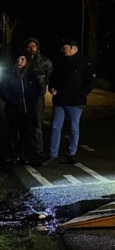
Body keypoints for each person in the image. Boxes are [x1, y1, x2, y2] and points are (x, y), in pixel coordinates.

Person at [43, 38, 94, 166]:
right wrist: (52, 88)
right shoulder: (60, 62)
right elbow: (53, 78)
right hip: (60, 100)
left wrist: (80, 94)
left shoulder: (85, 62)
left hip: (75, 101)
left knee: (73, 128)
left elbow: (90, 82)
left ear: (72, 47)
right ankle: (53, 155)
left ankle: (71, 154)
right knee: (55, 127)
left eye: (64, 47)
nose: (62, 50)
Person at [0, 53, 43, 165]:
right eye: (18, 59)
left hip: (27, 108)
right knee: (13, 132)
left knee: (25, 132)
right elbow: (3, 91)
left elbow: (37, 89)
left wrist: (31, 100)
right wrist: (12, 100)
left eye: (23, 59)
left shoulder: (30, 75)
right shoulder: (9, 74)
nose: (20, 61)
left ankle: (23, 156)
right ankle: (13, 156)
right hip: (12, 109)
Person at [23, 37, 53, 160]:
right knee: (23, 123)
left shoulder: (45, 61)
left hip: (38, 96)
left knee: (37, 123)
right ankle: (23, 150)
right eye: (29, 46)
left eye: (33, 46)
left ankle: (38, 150)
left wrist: (51, 87)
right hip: (22, 95)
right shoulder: (22, 60)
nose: (31, 49)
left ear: (37, 47)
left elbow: (51, 76)